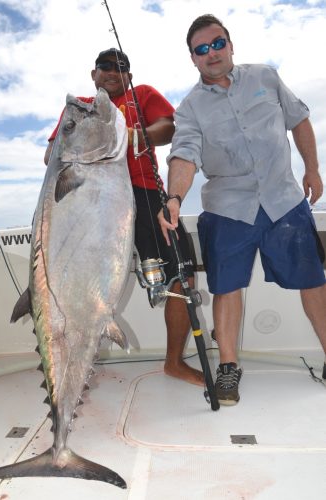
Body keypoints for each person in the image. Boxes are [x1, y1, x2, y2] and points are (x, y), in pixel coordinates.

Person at [159, 14, 326, 405]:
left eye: (217, 44)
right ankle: (228, 368)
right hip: (227, 209)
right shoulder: (189, 108)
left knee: (313, 282)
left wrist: (313, 169)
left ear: (231, 45)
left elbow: (299, 120)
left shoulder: (265, 77)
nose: (212, 53)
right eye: (202, 50)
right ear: (193, 59)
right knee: (225, 287)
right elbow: (183, 156)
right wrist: (174, 198)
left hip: (284, 201)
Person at [45, 48, 203, 386]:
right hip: (91, 202)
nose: (112, 73)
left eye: (121, 68)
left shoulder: (141, 95)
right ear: (93, 74)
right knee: (72, 280)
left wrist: (130, 134)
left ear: (129, 75)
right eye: (104, 67)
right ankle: (68, 360)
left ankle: (174, 362)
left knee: (182, 275)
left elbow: (168, 127)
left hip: (145, 195)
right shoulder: (80, 108)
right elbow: (52, 155)